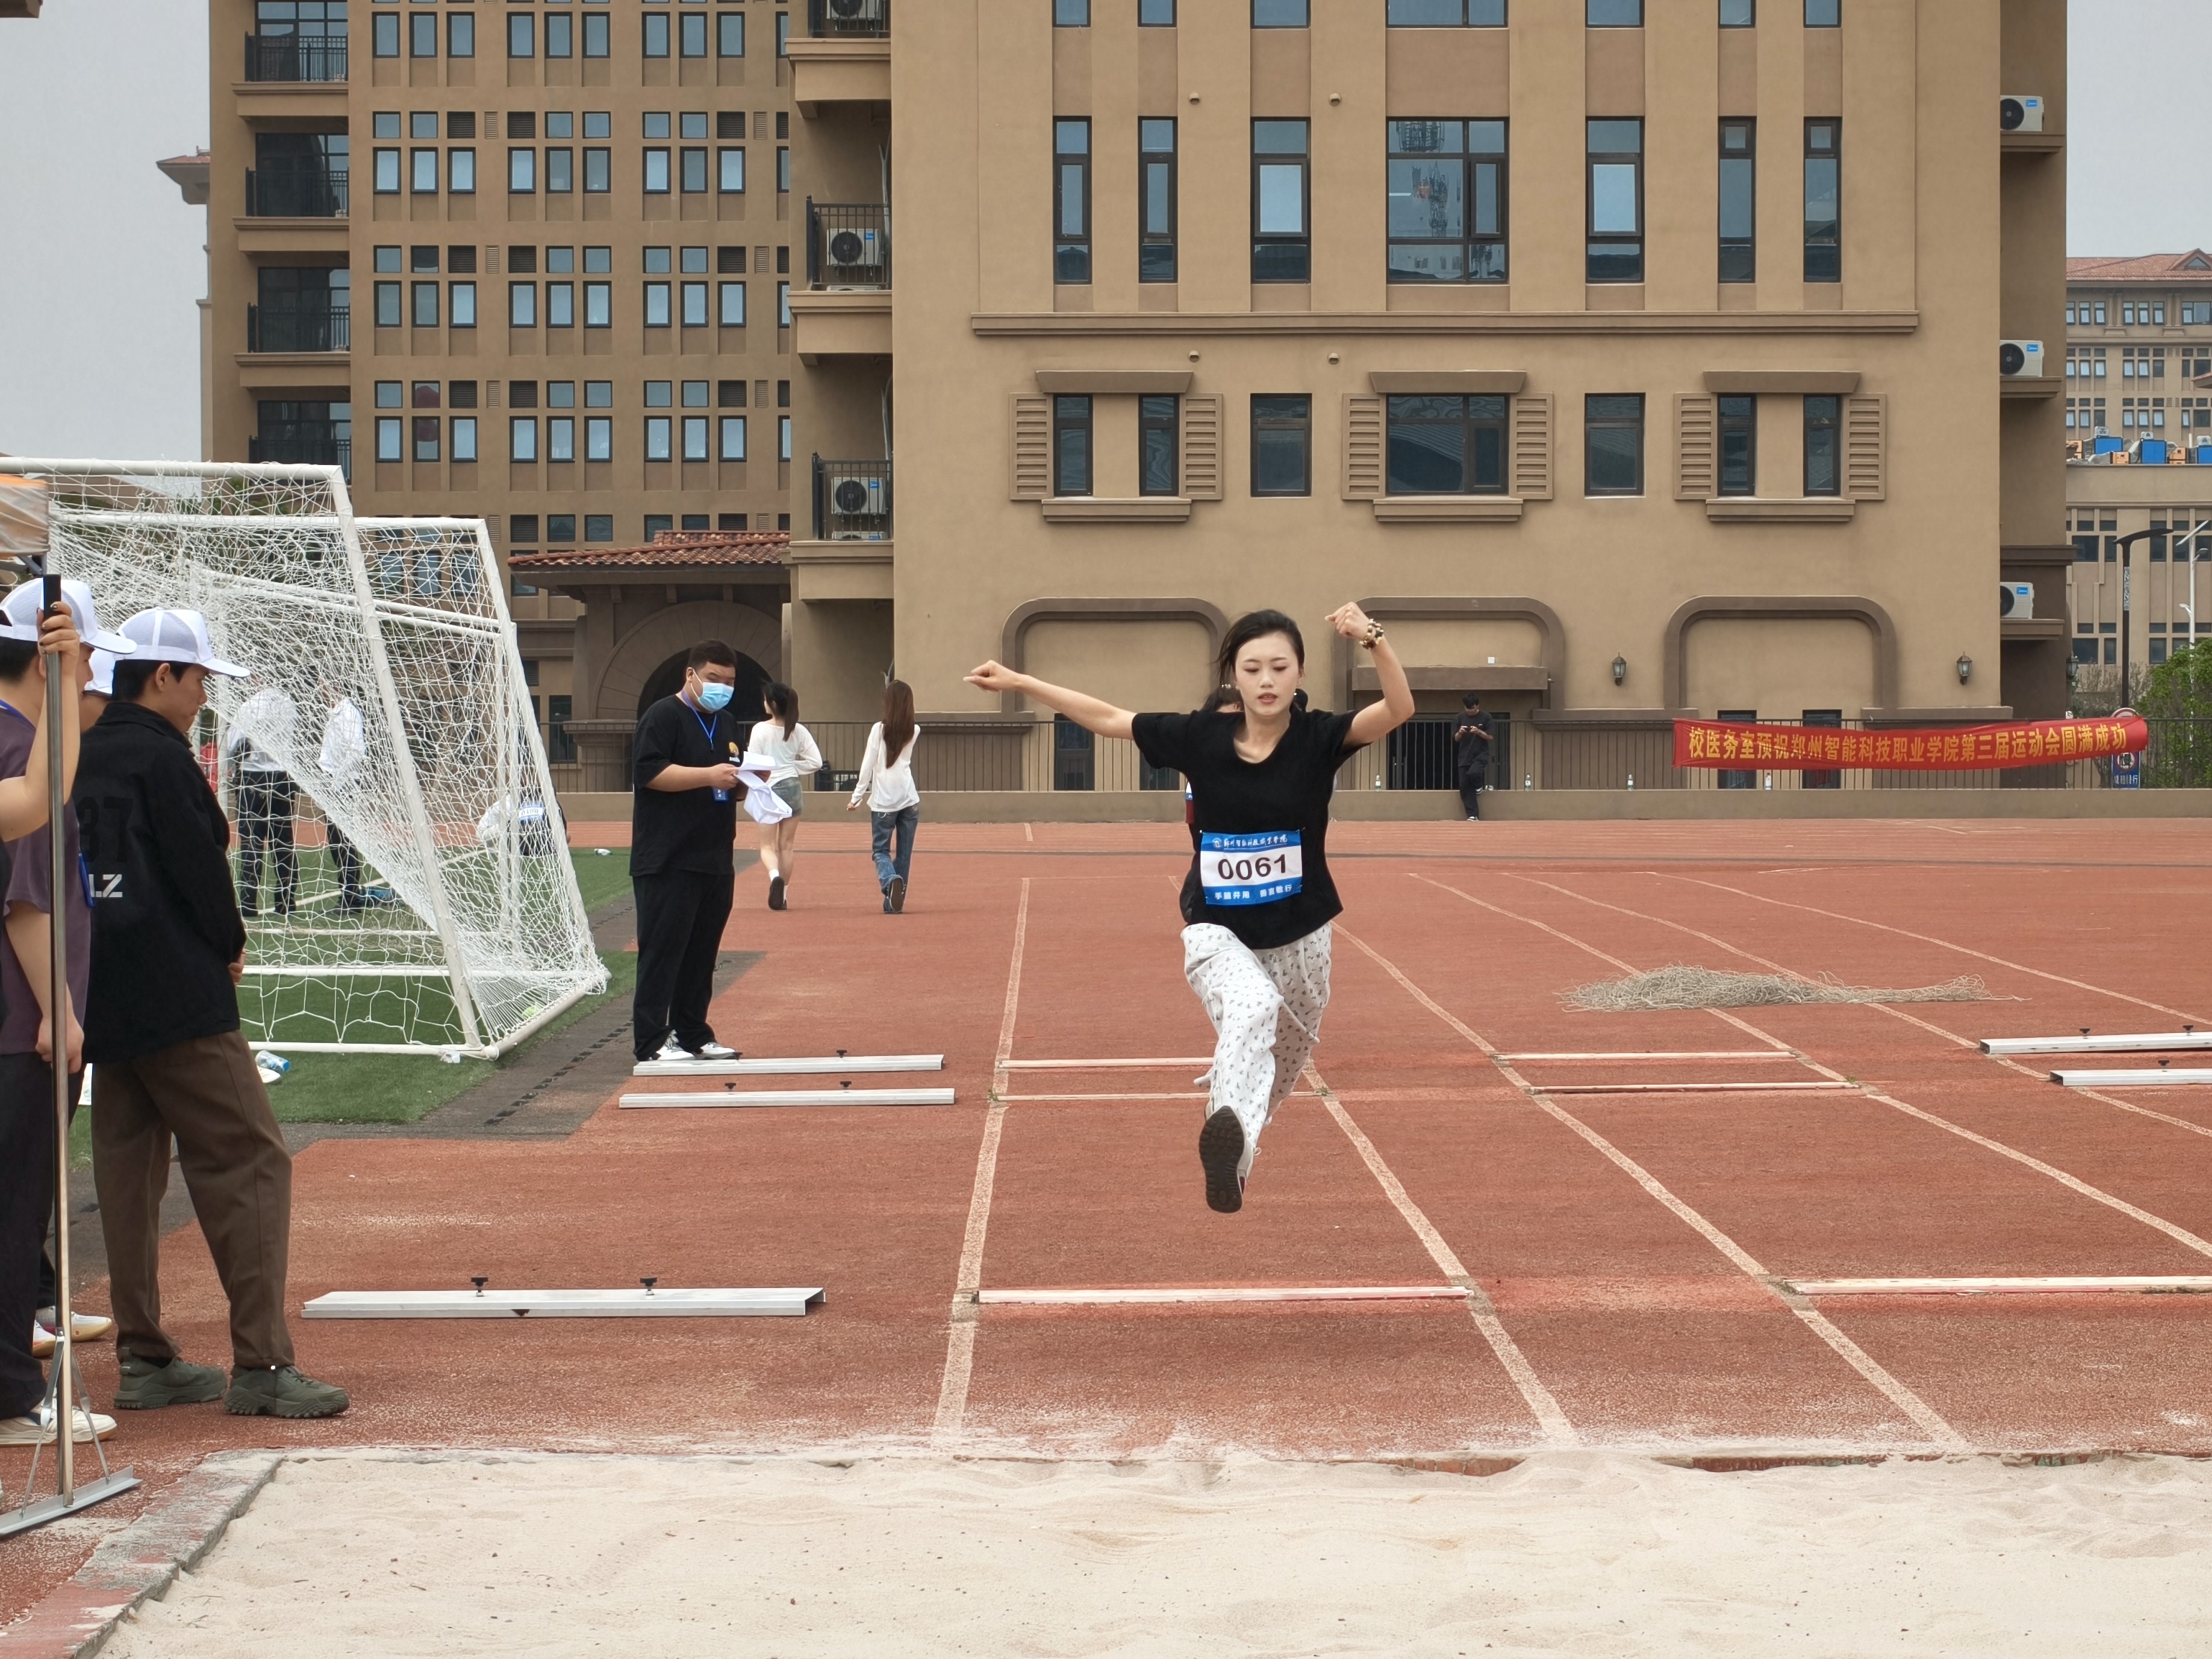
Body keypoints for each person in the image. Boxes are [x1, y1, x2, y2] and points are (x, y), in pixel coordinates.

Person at [966, 604, 1413, 1214]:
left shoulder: (1319, 738)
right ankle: (1228, 1127)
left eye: (1279, 667)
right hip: (1217, 929)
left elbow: (1398, 710)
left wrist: (1374, 640)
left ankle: (1232, 1143)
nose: (1266, 680)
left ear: (1299, 673)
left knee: (1284, 1063)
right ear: (1233, 675)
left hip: (1301, 933)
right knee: (1251, 1009)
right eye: (1251, 668)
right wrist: (1021, 681)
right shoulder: (1199, 738)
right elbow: (1109, 718)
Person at [77, 607, 349, 1419]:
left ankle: (143, 1356)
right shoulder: (162, 756)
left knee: (126, 1174)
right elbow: (199, 868)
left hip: (99, 989)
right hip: (177, 992)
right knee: (250, 1158)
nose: (204, 695)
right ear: (162, 675)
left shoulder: (76, 749)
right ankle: (263, 1363)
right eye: (198, 678)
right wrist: (229, 943)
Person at [0, 582, 123, 1446]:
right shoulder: (13, 740)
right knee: (14, 1221)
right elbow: (25, 895)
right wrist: (60, 1009)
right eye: (83, 664)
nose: (88, 679)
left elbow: (46, 793)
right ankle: (11, 1393)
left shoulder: (24, 739)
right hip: (15, 1027)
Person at [630, 640, 743, 1064]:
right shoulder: (663, 715)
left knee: (701, 954)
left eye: (729, 681)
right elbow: (650, 772)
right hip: (668, 857)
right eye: (714, 678)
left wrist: (748, 780)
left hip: (714, 857)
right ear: (691, 675)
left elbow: (727, 784)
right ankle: (651, 1041)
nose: (722, 688)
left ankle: (693, 1033)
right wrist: (708, 775)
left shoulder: (727, 722)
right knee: (663, 952)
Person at [745, 682, 822, 911]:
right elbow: (816, 762)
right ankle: (784, 895)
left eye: (765, 700)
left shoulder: (760, 729)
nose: (764, 703)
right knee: (787, 846)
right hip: (792, 787)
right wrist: (792, 767)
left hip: (769, 789)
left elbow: (754, 763)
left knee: (767, 846)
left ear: (773, 704)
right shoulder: (798, 730)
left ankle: (774, 877)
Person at [845, 679, 919, 914]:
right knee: (904, 854)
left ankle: (889, 880)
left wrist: (857, 796)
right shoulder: (914, 729)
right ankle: (895, 902)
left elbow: (868, 765)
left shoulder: (879, 729)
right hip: (909, 798)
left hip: (884, 801)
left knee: (880, 851)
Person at [227, 686, 299, 917]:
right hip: (282, 777)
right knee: (283, 841)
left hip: (253, 777)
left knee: (252, 841)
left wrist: (235, 766)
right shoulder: (288, 705)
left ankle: (249, 903)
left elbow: (233, 745)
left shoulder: (249, 707)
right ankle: (286, 902)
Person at [317, 686, 372, 911]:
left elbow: (358, 751)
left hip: (343, 785)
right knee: (336, 843)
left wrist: (337, 782)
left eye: (324, 683)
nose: (320, 689)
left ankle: (351, 898)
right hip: (334, 783)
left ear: (335, 686)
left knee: (343, 842)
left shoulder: (349, 713)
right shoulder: (336, 713)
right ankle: (348, 895)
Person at [1453, 692, 1494, 820]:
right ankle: (1473, 815)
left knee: (1474, 772)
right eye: (1467, 709)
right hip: (1464, 756)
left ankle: (1479, 786)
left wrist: (1478, 732)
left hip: (1480, 753)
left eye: (1472, 708)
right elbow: (1456, 738)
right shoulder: (1459, 718)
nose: (1470, 711)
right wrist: (1460, 732)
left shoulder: (1486, 717)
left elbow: (1490, 737)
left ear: (1478, 706)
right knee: (1465, 787)